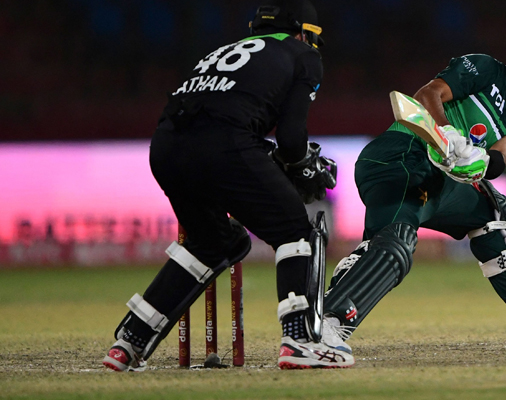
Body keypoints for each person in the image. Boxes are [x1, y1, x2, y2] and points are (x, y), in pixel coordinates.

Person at [102, 0, 354, 371]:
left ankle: (130, 341)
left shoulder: (222, 51)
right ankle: (300, 340)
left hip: (166, 146)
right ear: (302, 31)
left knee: (214, 242)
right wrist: (301, 165)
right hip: (224, 144)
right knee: (295, 230)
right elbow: (290, 139)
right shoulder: (302, 54)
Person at [321, 31, 506, 358]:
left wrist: (480, 160)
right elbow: (428, 95)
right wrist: (447, 133)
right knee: (396, 244)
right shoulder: (486, 68)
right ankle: (328, 323)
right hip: (403, 156)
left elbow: (501, 157)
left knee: (497, 215)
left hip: (442, 182)